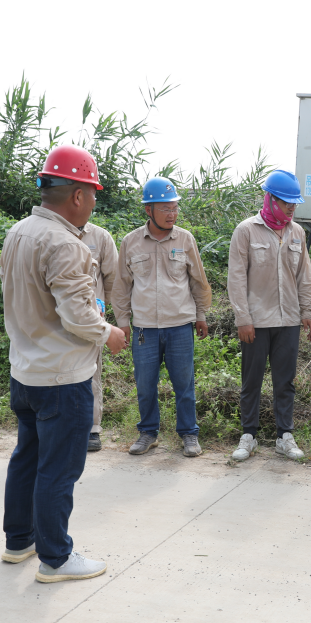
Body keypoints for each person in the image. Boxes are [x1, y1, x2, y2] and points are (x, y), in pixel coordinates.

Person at [0, 144, 127, 583]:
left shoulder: (19, 232)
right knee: (58, 469)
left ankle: (20, 541)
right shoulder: (65, 243)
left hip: (25, 371)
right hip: (62, 377)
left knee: (27, 458)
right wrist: (108, 333)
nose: (93, 203)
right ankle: (56, 558)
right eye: (92, 194)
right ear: (77, 195)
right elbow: (77, 315)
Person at [111, 177, 212, 457]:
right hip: (145, 329)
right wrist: (123, 322)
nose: (172, 214)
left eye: (175, 208)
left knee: (184, 384)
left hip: (180, 326)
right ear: (149, 210)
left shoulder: (185, 239)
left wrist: (201, 314)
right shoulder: (131, 242)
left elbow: (198, 281)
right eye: (165, 208)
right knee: (145, 385)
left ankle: (189, 434)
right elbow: (122, 286)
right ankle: (148, 433)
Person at [227, 170, 311, 461]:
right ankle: (248, 436)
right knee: (251, 380)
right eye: (287, 202)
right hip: (256, 321)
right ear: (271, 200)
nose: (291, 208)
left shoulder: (297, 232)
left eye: (294, 203)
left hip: (289, 320)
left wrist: (307, 310)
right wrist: (243, 318)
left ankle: (284, 436)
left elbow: (304, 275)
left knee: (285, 381)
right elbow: (236, 278)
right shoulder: (246, 231)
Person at [78, 221, 119, 452]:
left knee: (91, 372)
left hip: (92, 318)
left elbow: (113, 277)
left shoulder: (101, 236)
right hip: (56, 318)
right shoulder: (52, 233)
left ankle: (92, 429)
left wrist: (101, 309)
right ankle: (63, 427)